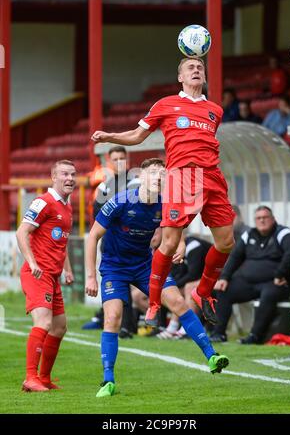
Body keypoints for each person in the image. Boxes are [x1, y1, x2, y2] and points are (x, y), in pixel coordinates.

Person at [91, 56, 235, 328]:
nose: (196, 70)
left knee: (227, 242)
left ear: (204, 77)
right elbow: (137, 135)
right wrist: (110, 136)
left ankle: (203, 292)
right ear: (180, 77)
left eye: (200, 68)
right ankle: (155, 301)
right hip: (183, 176)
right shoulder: (166, 105)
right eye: (190, 68)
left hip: (212, 176)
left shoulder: (215, 110)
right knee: (168, 244)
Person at [85, 158, 229, 397]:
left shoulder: (166, 204)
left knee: (178, 303)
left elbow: (176, 227)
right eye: (153, 173)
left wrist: (181, 243)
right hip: (114, 267)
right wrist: (91, 276)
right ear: (142, 176)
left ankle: (212, 356)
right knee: (112, 318)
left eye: (163, 174)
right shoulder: (120, 202)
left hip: (145, 265)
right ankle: (108, 380)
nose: (159, 178)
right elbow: (92, 237)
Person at [16, 160, 76, 392]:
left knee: (60, 327)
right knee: (44, 322)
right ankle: (30, 378)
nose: (70, 178)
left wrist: (68, 269)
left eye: (72, 174)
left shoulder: (67, 207)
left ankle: (44, 378)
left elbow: (62, 242)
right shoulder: (44, 202)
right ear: (53, 177)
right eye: (64, 174)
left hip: (53, 276)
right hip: (37, 273)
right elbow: (22, 232)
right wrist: (32, 262)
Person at [211, 206, 290, 344]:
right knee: (224, 290)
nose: (262, 220)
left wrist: (280, 274)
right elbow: (235, 257)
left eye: (265, 217)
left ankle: (254, 336)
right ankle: (218, 333)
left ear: (273, 219)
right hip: (250, 283)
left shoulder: (283, 233)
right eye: (259, 218)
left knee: (269, 293)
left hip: (277, 282)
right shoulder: (249, 235)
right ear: (255, 221)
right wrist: (224, 277)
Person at [83, 145, 140, 335]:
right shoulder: (104, 185)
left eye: (121, 159)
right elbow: (97, 212)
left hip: (133, 239)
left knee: (134, 280)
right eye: (115, 160)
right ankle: (114, 320)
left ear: (127, 160)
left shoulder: (135, 182)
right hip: (110, 240)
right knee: (116, 280)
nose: (118, 163)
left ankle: (131, 323)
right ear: (109, 162)